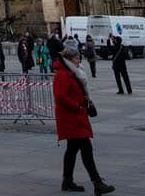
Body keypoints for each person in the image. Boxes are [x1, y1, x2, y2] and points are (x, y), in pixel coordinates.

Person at [51, 37, 114, 194]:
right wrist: (78, 107)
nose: (79, 60)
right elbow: (60, 96)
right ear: (69, 60)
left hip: (76, 117)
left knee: (72, 149)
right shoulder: (63, 75)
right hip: (72, 118)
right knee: (86, 148)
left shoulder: (71, 73)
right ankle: (97, 183)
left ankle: (67, 181)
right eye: (77, 57)